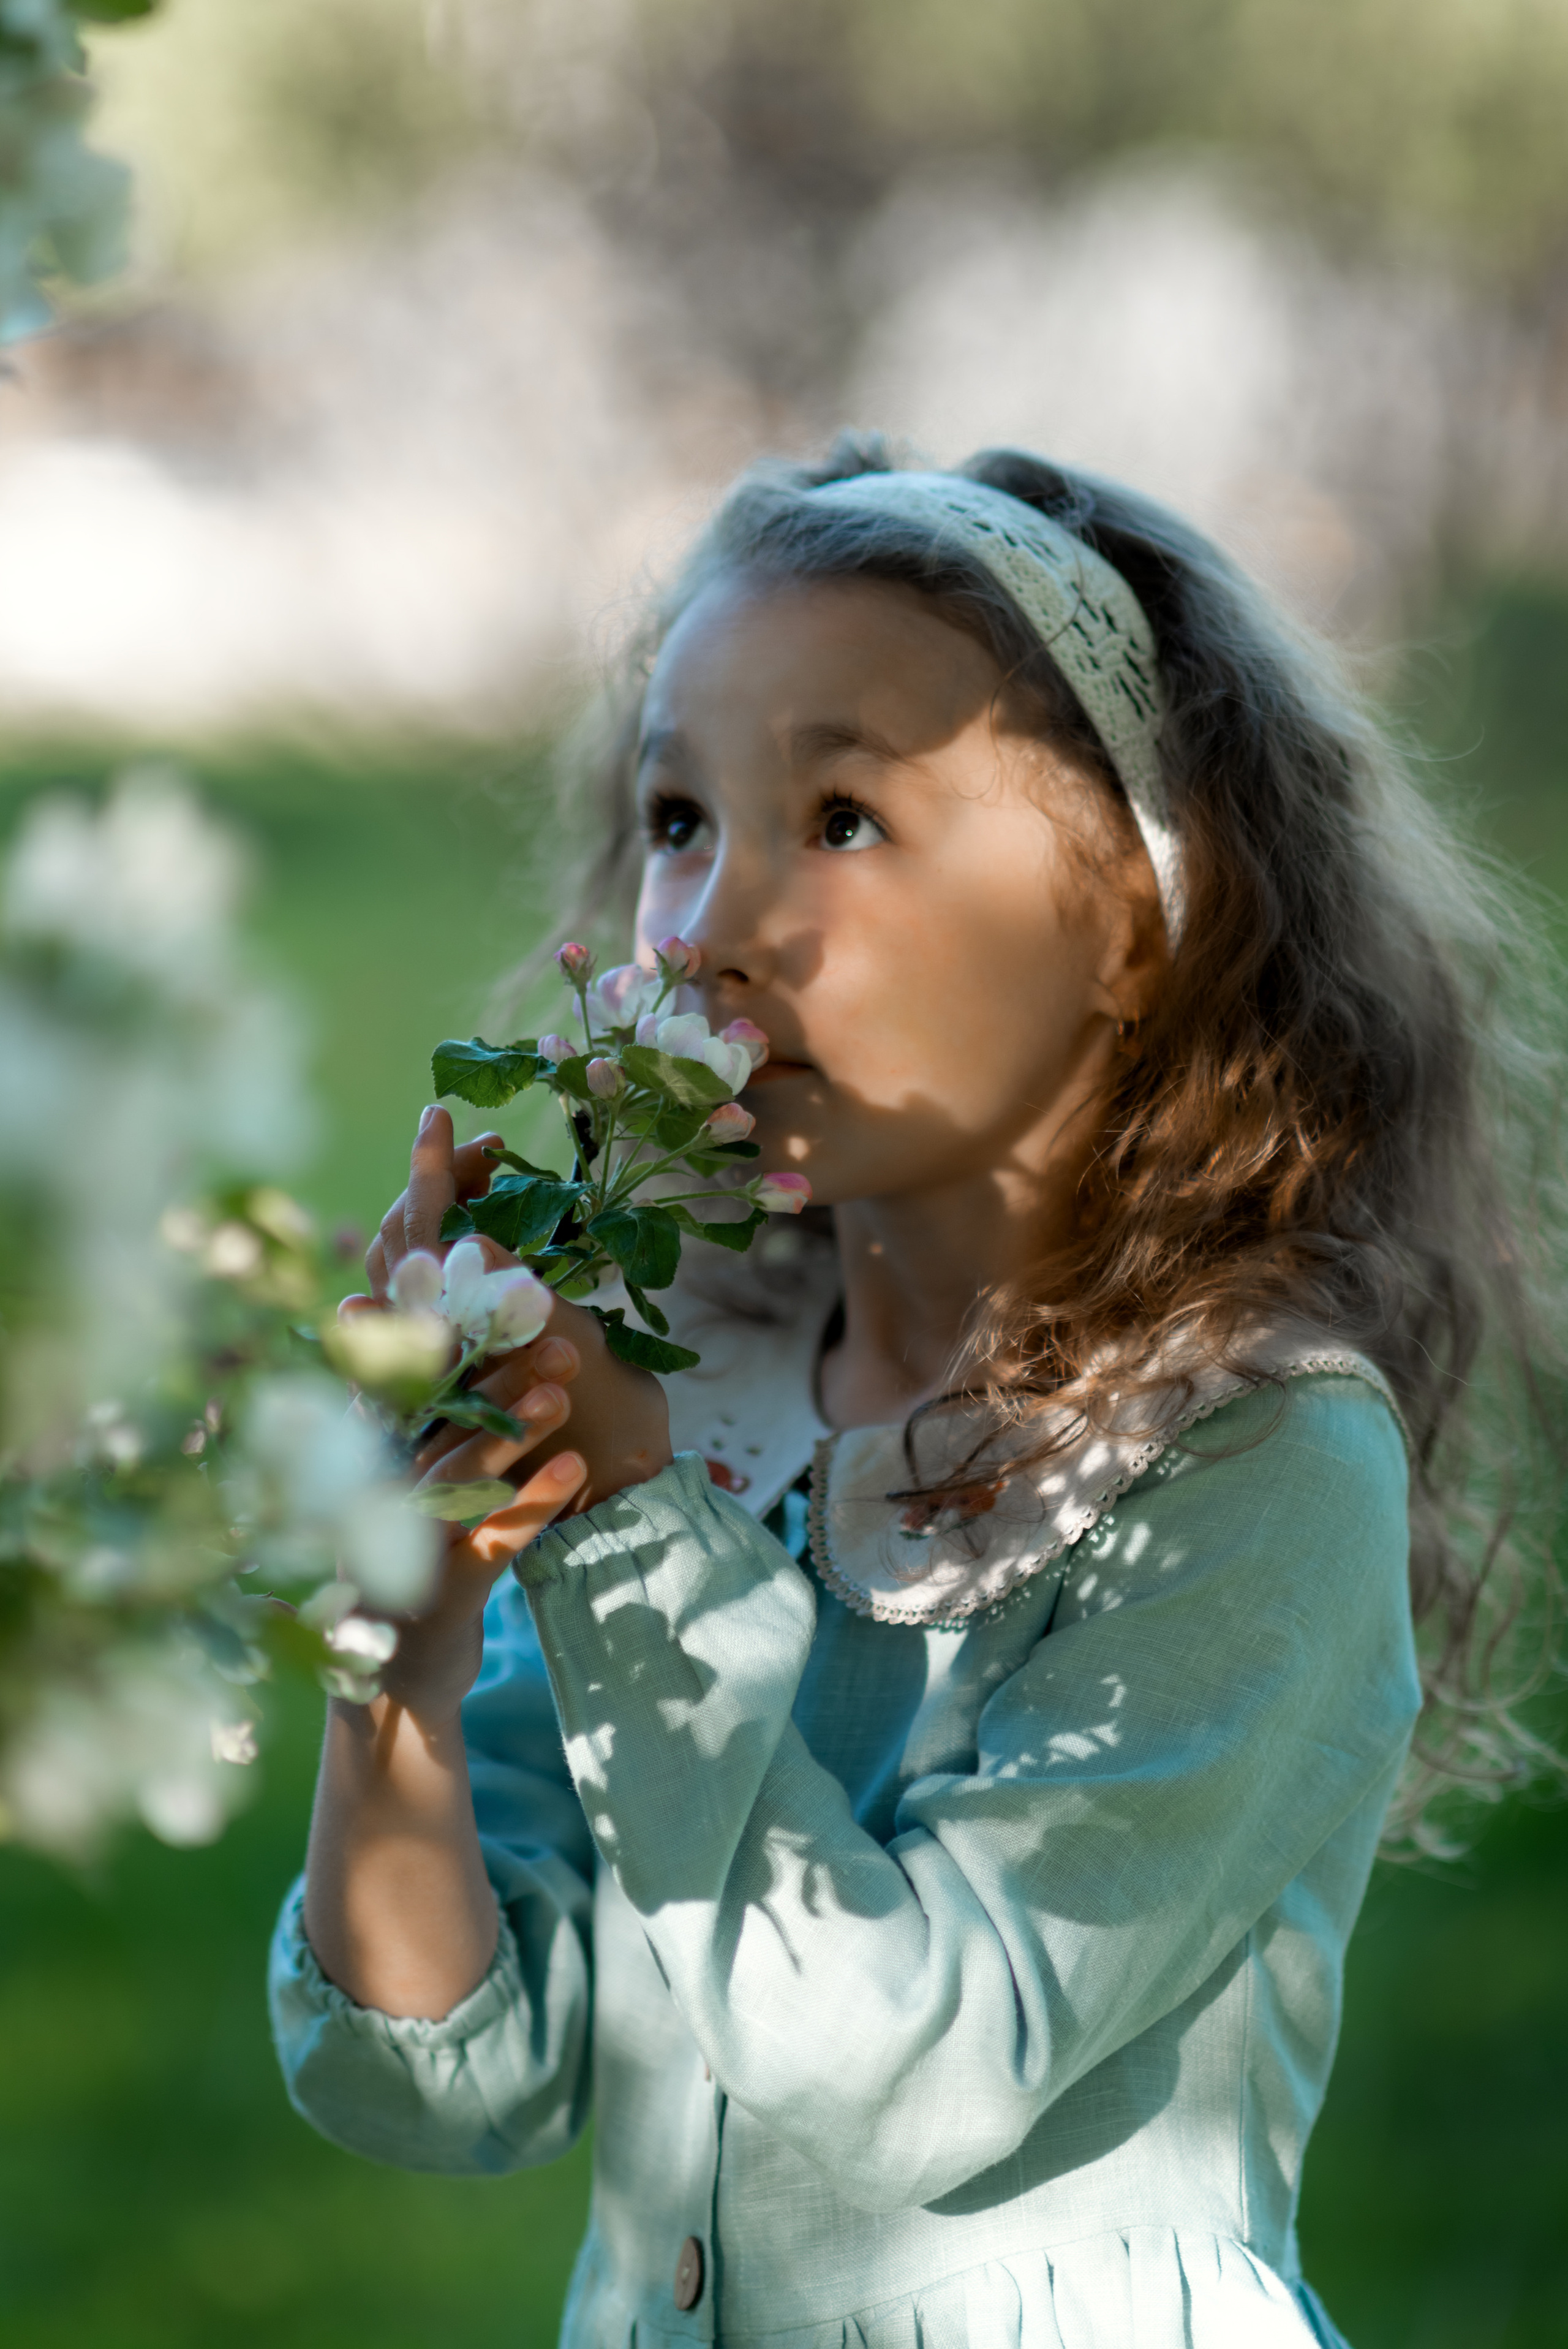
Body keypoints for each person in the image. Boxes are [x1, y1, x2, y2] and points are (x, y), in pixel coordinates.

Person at [270, 443, 1563, 2347]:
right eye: (679, 816)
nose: (709, 924)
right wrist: (402, 1673)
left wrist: (624, 1537)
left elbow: (918, 2065)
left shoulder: (1252, 1457)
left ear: (1137, 921)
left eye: (844, 817)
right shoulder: (692, 1389)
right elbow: (455, 2081)